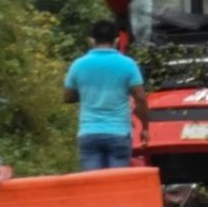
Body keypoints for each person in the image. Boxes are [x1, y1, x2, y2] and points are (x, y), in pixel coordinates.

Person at [63, 19, 149, 170]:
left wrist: (86, 92)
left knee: (94, 186)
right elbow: (140, 98)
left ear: (92, 40)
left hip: (89, 133)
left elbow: (68, 97)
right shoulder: (128, 64)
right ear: (117, 40)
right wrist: (145, 127)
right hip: (119, 133)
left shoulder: (78, 65)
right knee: (116, 186)